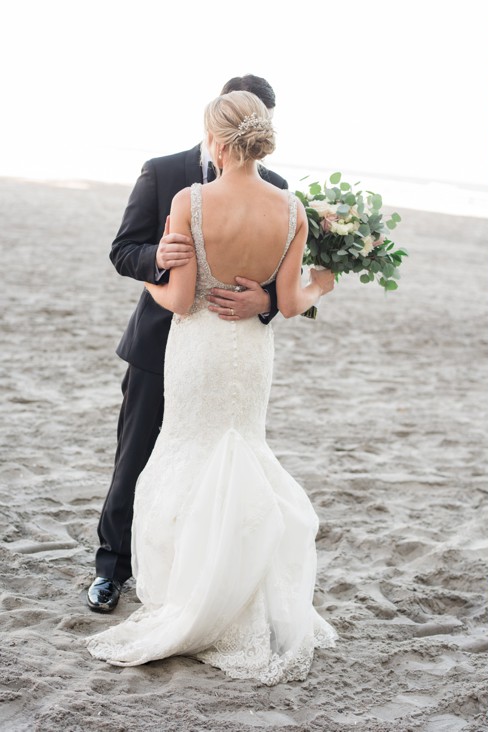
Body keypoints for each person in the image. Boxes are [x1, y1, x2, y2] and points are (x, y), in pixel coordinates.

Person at [86, 91, 337, 683]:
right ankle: (232, 589)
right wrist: (322, 284)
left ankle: (189, 592)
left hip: (196, 346)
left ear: (217, 139)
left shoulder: (192, 200)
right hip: (250, 352)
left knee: (185, 458)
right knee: (242, 454)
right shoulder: (291, 206)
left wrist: (158, 283)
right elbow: (296, 298)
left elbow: (177, 298)